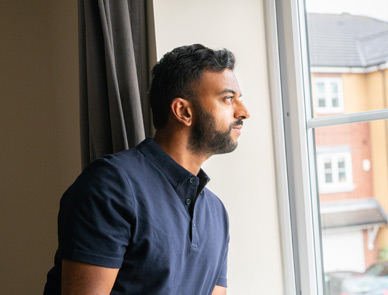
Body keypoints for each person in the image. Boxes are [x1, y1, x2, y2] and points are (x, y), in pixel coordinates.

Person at [43, 44, 250, 295]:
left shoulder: (217, 213)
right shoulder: (111, 185)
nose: (243, 112)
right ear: (183, 111)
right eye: (228, 99)